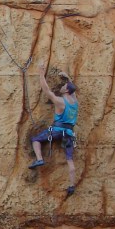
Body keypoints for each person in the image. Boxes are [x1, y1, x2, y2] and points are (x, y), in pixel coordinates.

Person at [29, 62, 79, 195]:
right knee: (69, 159)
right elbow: (72, 88)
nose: (61, 87)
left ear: (66, 90)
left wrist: (41, 73)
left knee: (35, 140)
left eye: (63, 86)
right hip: (69, 134)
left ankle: (39, 158)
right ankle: (72, 185)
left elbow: (47, 91)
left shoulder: (60, 102)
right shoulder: (75, 102)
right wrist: (68, 78)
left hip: (57, 131)